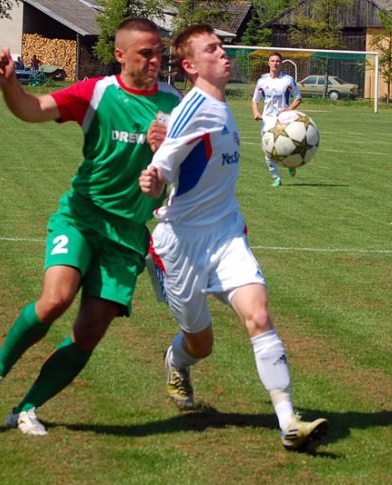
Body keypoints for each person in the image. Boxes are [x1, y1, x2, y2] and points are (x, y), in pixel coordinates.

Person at [0, 18, 182, 436]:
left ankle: (27, 408)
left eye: (160, 52)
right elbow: (34, 109)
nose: (156, 60)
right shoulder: (98, 92)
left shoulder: (176, 104)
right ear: (120, 55)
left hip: (129, 235)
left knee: (88, 332)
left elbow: (194, 169)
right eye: (146, 53)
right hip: (83, 218)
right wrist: (9, 85)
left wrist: (167, 155)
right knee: (55, 299)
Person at [140, 25, 328, 451]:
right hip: (182, 244)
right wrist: (152, 179)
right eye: (212, 49)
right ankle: (177, 361)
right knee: (200, 344)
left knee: (259, 316)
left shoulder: (224, 105)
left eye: (222, 46)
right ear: (191, 65)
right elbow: (163, 166)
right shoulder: (195, 108)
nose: (224, 54)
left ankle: (289, 422)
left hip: (226, 235)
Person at [251, 52, 302, 187]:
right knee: (268, 151)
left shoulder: (288, 80)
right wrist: (256, 112)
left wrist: (289, 109)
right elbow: (255, 100)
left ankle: (291, 163)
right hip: (267, 120)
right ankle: (276, 178)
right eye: (272, 61)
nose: (275, 63)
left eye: (277, 61)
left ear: (281, 63)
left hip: (284, 120)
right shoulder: (262, 81)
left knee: (287, 146)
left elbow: (298, 98)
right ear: (268, 63)